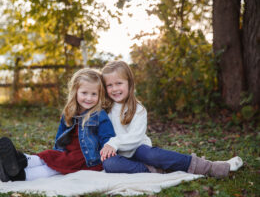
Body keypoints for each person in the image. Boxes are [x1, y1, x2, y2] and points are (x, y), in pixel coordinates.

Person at [100, 60, 243, 178]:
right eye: (110, 85)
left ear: (129, 83)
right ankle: (155, 171)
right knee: (109, 164)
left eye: (119, 83)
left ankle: (209, 167)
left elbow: (136, 137)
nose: (114, 89)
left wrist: (114, 143)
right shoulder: (105, 108)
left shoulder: (138, 109)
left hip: (139, 149)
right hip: (120, 155)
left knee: (150, 154)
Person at [0, 68, 115, 182]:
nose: (89, 98)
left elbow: (108, 138)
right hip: (68, 152)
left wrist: (108, 150)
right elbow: (61, 135)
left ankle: (19, 176)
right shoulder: (70, 111)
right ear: (75, 92)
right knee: (50, 155)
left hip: (87, 159)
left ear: (100, 95)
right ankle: (18, 161)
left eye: (94, 94)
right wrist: (57, 152)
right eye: (84, 93)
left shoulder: (99, 115)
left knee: (54, 166)